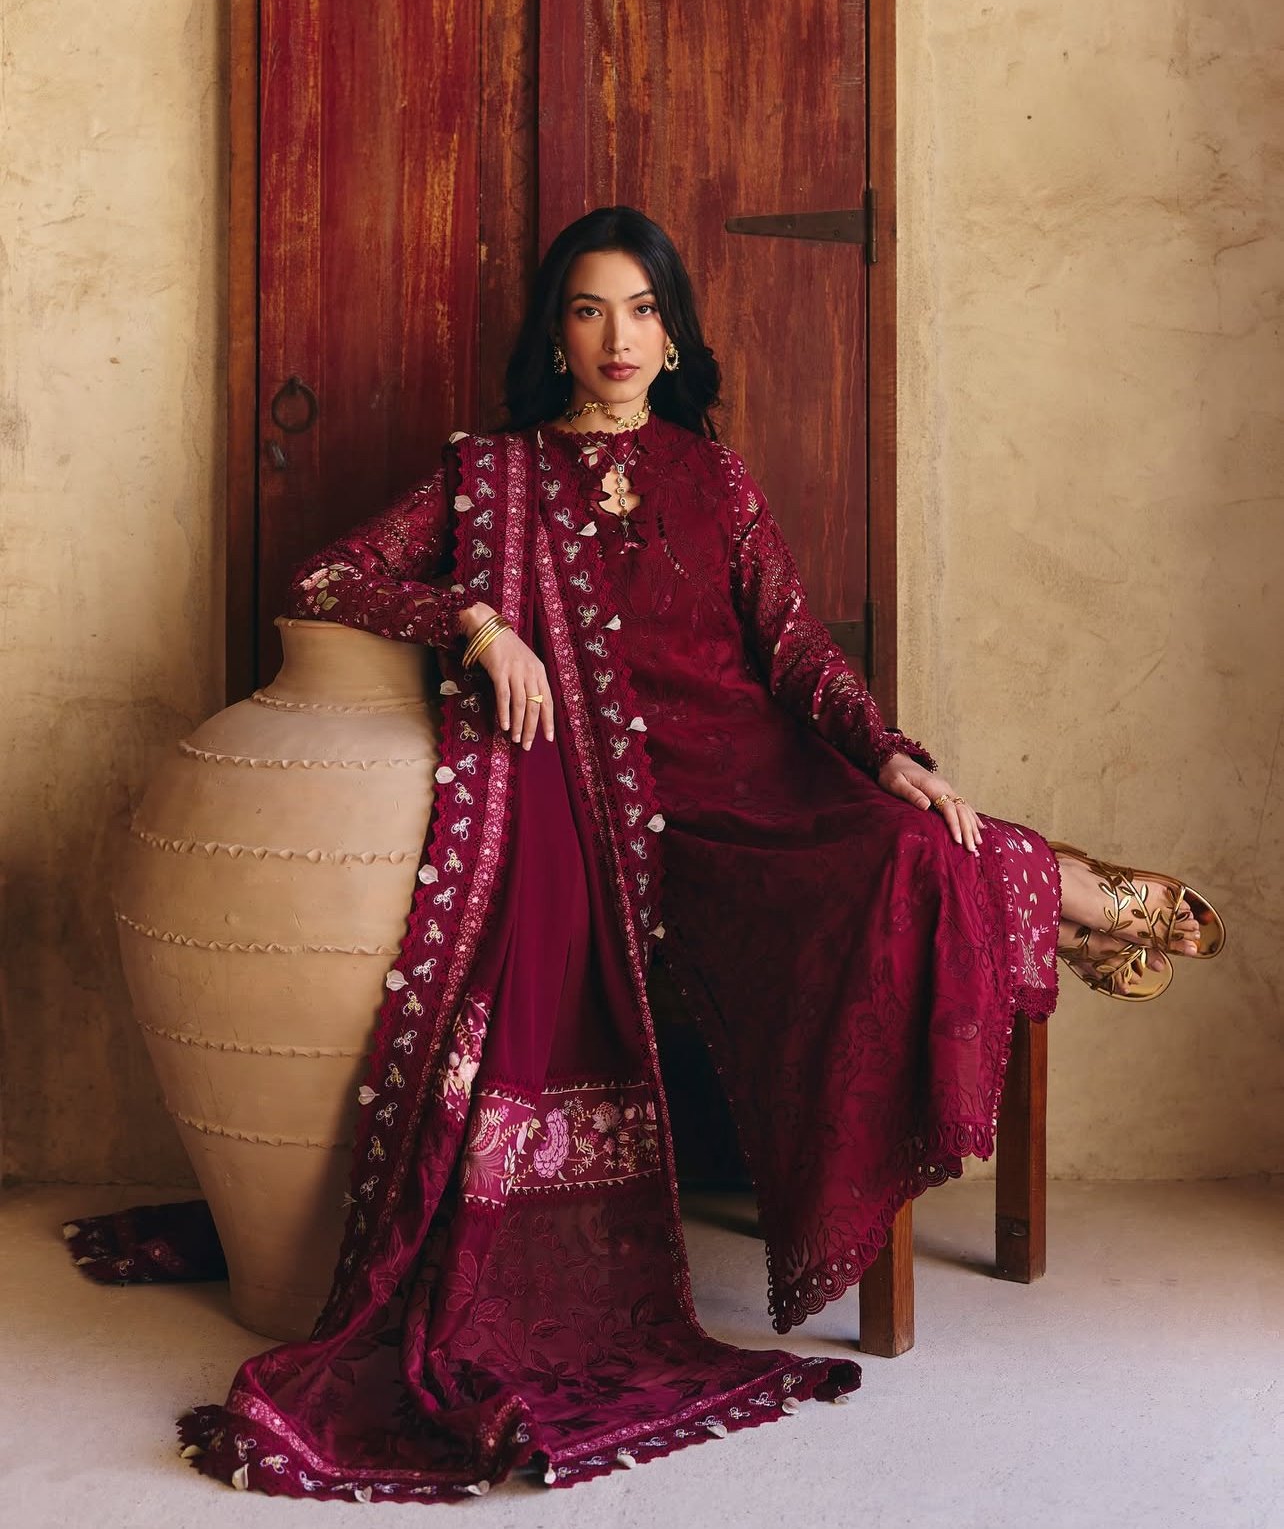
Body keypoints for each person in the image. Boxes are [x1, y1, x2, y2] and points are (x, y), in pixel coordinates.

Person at [175, 207, 1225, 1501]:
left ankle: (1078, 897)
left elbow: (793, 649)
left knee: (919, 836)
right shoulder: (491, 476)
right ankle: (1083, 901)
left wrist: (886, 749)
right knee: (916, 873)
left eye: (642, 311)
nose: (617, 337)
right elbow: (326, 580)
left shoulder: (713, 478)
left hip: (772, 769)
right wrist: (478, 622)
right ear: (556, 336)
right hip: (649, 824)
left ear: (672, 337)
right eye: (589, 310)